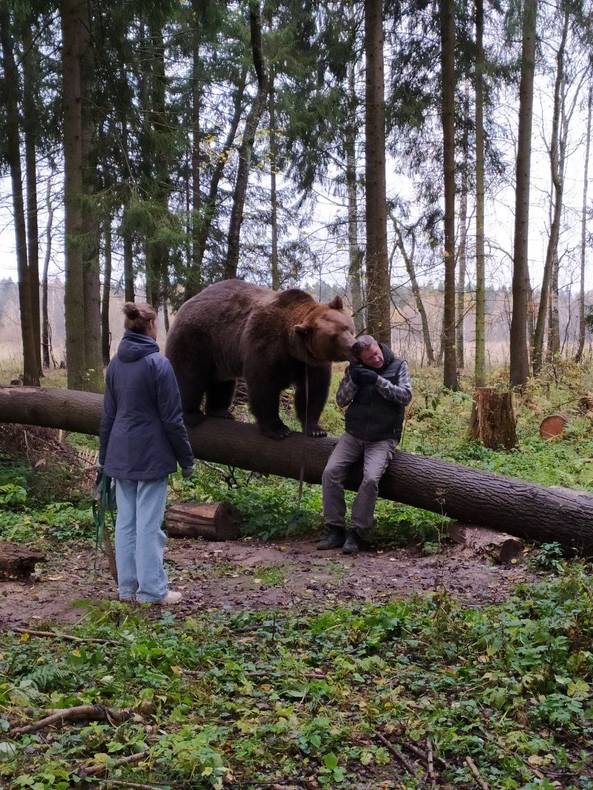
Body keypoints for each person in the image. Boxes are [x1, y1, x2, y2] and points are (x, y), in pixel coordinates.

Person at [99, 303, 195, 604]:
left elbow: (108, 417)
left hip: (120, 454)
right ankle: (152, 591)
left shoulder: (115, 365)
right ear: (150, 326)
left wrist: (104, 457)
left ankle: (127, 589)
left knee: (126, 523)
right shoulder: (158, 364)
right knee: (149, 526)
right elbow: (172, 418)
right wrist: (186, 459)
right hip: (151, 455)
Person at [319, 335, 412, 555]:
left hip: (383, 438)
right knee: (330, 472)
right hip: (353, 435)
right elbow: (341, 400)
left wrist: (377, 381)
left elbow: (405, 396)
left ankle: (358, 532)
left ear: (379, 347)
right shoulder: (355, 370)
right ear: (360, 359)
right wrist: (354, 379)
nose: (377, 358)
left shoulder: (399, 365)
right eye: (370, 358)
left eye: (377, 353)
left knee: (370, 479)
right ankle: (335, 529)